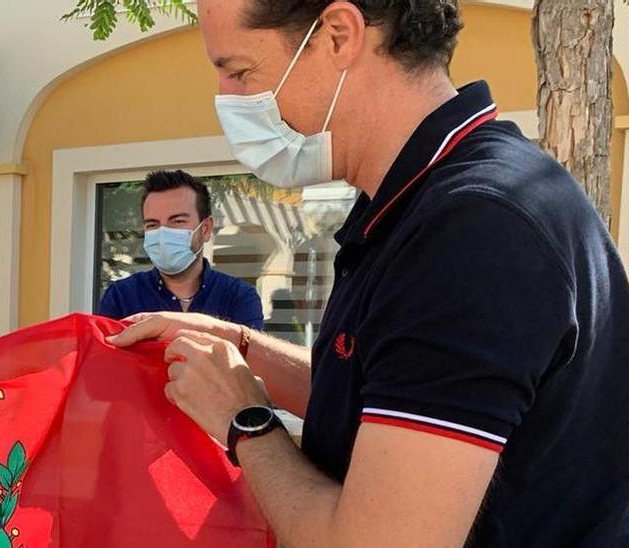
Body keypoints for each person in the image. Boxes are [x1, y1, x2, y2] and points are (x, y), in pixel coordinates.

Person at [108, 1, 629, 547]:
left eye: (239, 72)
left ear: (338, 35)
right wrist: (241, 346)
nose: (227, 99)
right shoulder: (413, 203)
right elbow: (394, 397)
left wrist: (246, 421)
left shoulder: (474, 227)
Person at [97, 170, 264, 329]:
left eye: (177, 221)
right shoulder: (122, 297)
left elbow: (250, 357)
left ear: (205, 229)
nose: (163, 233)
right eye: (152, 224)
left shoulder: (238, 297)